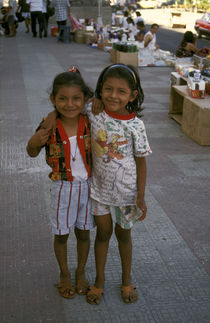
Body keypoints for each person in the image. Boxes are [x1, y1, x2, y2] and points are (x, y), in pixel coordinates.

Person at [43, 64, 152, 305]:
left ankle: (126, 280)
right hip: (99, 192)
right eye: (108, 89)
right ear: (100, 90)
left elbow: (141, 163)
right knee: (102, 235)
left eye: (121, 91)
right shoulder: (93, 113)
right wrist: (51, 116)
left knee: (124, 236)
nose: (114, 96)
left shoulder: (136, 126)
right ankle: (99, 281)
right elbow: (65, 108)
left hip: (127, 195)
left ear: (133, 95)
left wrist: (141, 197)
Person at [26, 68, 95, 299]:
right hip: (63, 188)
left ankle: (81, 271)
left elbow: (104, 105)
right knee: (62, 235)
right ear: (53, 100)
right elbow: (32, 152)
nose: (70, 104)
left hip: (88, 188)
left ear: (85, 99)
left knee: (84, 233)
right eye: (62, 98)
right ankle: (64, 273)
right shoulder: (48, 125)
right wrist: (34, 141)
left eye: (76, 98)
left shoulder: (90, 121)